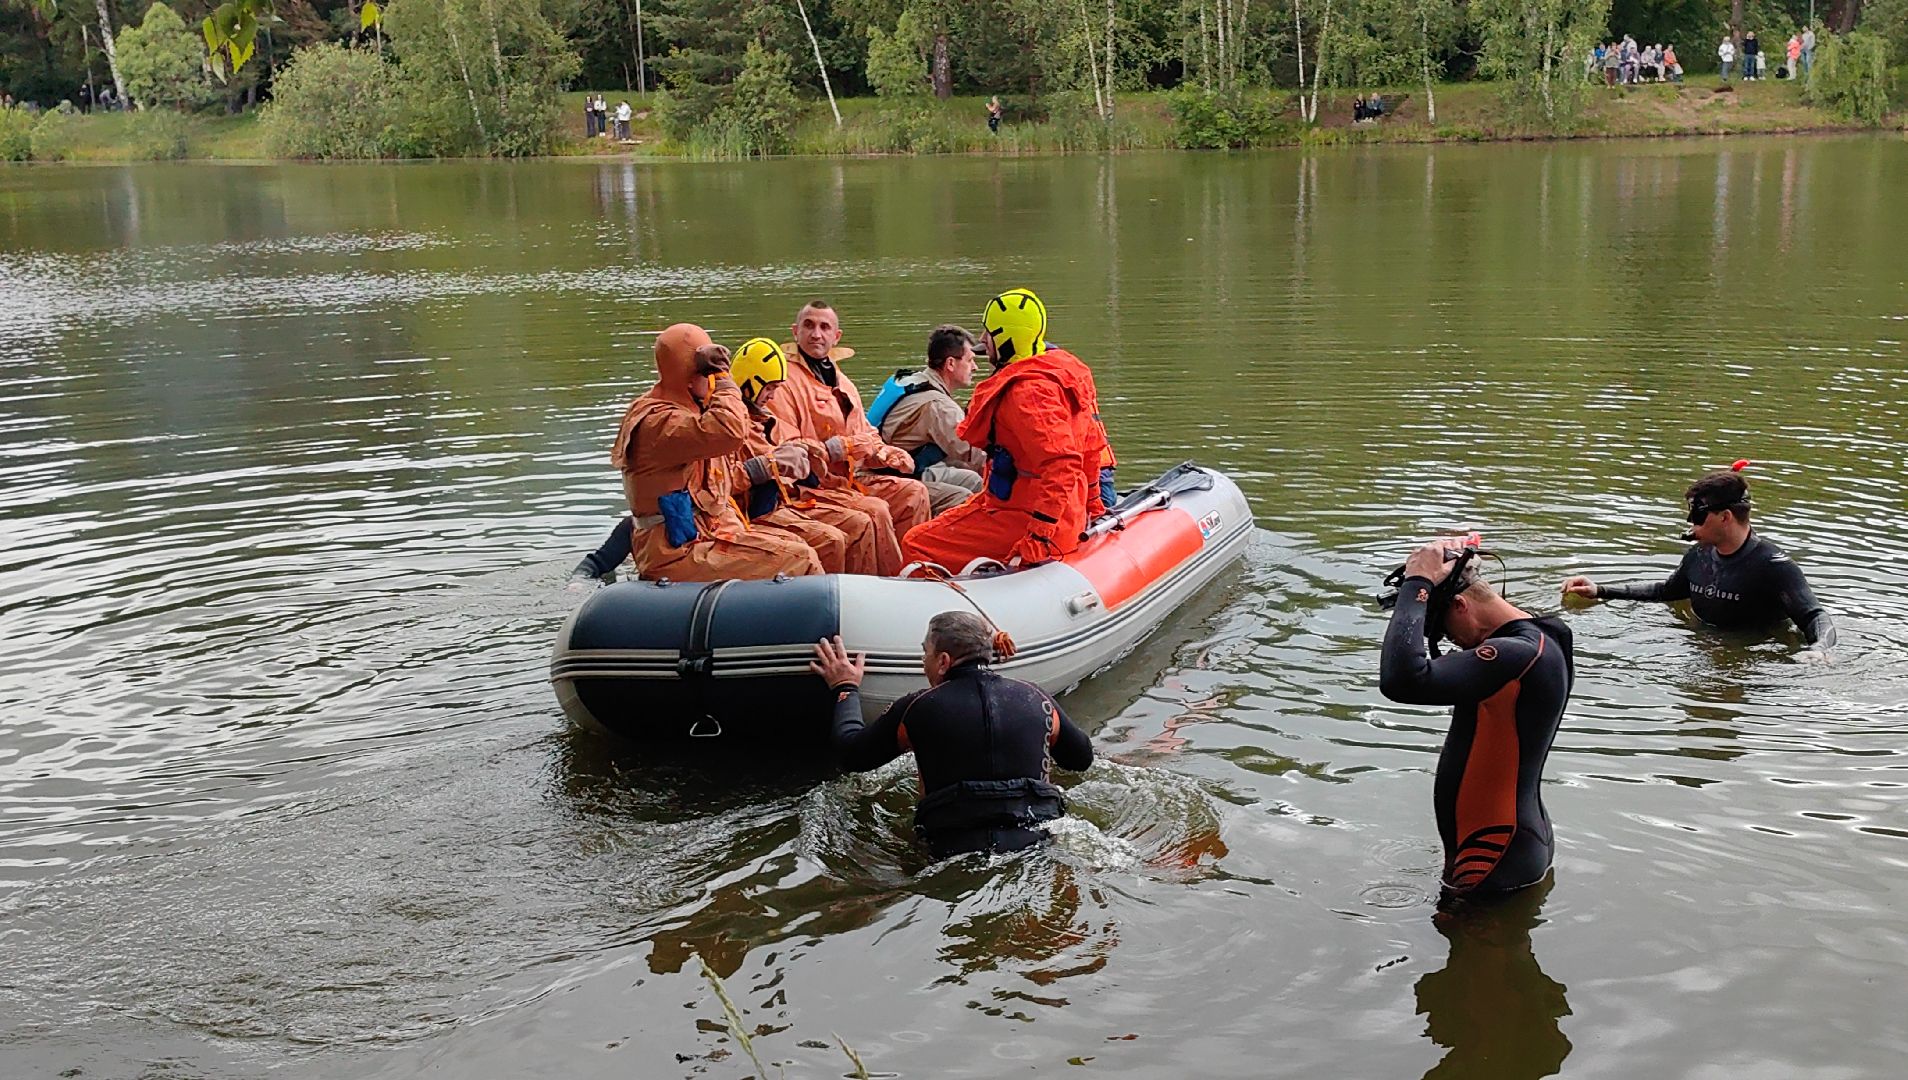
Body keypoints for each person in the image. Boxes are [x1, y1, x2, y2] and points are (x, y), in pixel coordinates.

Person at [1380, 540, 1576, 903]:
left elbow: (1401, 679)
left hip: (1491, 856)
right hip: (1514, 842)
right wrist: (1453, 559)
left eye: (1440, 628)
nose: (1444, 640)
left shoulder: (1515, 655)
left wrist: (1418, 584)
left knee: (1473, 954)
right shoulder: (1546, 637)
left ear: (1460, 605)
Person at [811, 611, 1093, 859]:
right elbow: (1080, 759)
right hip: (1038, 840)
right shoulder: (1037, 699)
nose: (924, 662)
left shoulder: (916, 708)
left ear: (943, 661)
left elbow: (851, 755)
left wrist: (845, 687)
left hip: (953, 847)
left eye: (926, 654)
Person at [901, 288, 1117, 572]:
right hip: (1066, 512)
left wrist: (1039, 536)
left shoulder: (1027, 393)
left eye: (988, 333)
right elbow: (1091, 448)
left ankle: (947, 613)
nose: (981, 340)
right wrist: (1094, 506)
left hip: (1028, 516)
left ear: (1005, 338)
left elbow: (1062, 463)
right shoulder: (1062, 374)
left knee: (916, 542)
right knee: (963, 507)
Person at [607, 323, 824, 581]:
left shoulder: (692, 413)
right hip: (678, 552)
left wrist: (768, 465)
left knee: (803, 544)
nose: (712, 380)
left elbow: (716, 482)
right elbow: (730, 431)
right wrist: (724, 378)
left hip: (709, 534)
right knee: (801, 559)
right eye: (707, 372)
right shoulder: (660, 422)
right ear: (690, 376)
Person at [1560, 467, 1835, 655]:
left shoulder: (1773, 566)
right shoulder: (1699, 554)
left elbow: (1815, 617)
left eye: (1698, 517)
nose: (1691, 526)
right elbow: (1666, 592)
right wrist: (1600, 591)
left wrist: (1819, 651)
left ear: (1725, 517)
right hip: (1702, 646)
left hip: (1755, 657)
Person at [765, 301, 933, 545]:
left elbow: (865, 434)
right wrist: (841, 448)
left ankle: (912, 569)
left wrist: (887, 453)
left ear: (836, 336)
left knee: (914, 493)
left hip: (849, 480)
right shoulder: (783, 383)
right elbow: (788, 449)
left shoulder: (843, 381)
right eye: (809, 326)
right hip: (810, 488)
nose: (816, 334)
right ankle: (877, 579)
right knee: (873, 511)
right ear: (795, 331)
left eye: (825, 327)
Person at [729, 336, 888, 575]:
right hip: (753, 511)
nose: (772, 397)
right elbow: (718, 482)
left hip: (782, 500)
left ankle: (876, 587)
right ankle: (835, 600)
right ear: (750, 383)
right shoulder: (729, 426)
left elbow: (785, 443)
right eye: (769, 389)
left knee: (862, 520)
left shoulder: (762, 417)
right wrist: (761, 468)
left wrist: (809, 450)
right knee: (832, 539)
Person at [868, 324, 987, 514]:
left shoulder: (914, 381)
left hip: (885, 468)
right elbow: (976, 454)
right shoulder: (939, 406)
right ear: (950, 364)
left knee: (972, 478)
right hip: (886, 479)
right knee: (967, 495)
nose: (975, 367)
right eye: (970, 360)